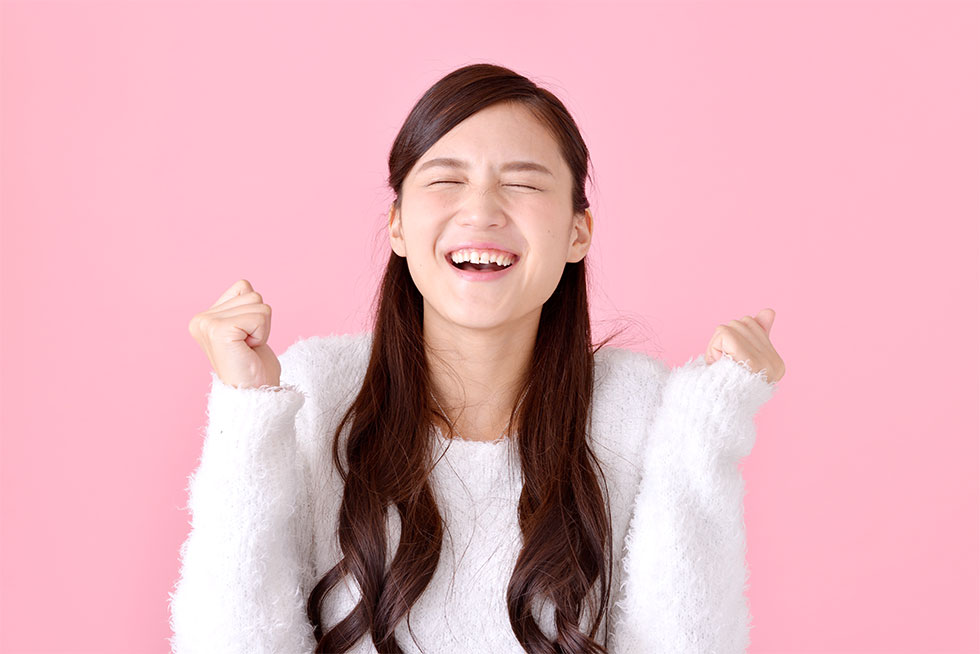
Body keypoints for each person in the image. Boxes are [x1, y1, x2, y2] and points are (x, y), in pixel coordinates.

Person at [170, 63, 785, 654]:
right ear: (397, 225)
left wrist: (711, 421)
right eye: (446, 180)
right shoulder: (316, 392)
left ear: (578, 232)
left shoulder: (640, 410)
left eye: (523, 183)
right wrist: (246, 413)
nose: (482, 211)